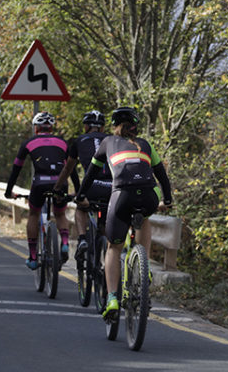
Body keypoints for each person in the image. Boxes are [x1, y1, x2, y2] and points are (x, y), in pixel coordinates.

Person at [75, 106, 172, 320]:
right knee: (144, 216)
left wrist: (80, 195)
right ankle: (143, 266)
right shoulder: (146, 144)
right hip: (148, 194)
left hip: (121, 196)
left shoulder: (107, 143)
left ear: (114, 126)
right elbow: (162, 177)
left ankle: (111, 299)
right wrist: (168, 200)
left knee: (113, 248)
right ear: (136, 128)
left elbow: (90, 174)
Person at [5, 111, 72, 270]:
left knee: (34, 214)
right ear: (51, 128)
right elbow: (71, 168)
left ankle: (33, 256)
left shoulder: (28, 143)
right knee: (60, 213)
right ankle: (64, 243)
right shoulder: (63, 143)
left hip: (40, 183)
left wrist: (9, 191)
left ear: (36, 128)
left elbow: (16, 169)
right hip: (60, 182)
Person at [54, 110, 111, 260]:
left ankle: (82, 239)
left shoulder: (79, 140)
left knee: (81, 207)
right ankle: (106, 249)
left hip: (91, 186)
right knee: (104, 220)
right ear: (103, 128)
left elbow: (68, 168)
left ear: (86, 127)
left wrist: (57, 188)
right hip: (112, 186)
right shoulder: (113, 140)